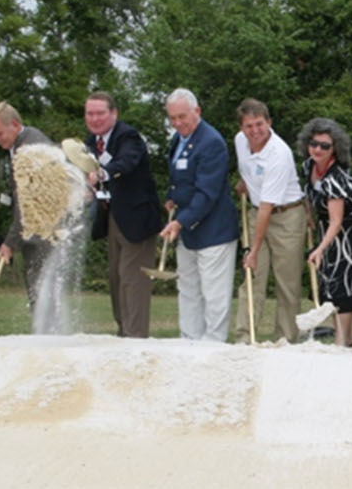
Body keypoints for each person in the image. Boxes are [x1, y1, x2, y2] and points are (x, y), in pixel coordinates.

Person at [160, 89, 239, 343]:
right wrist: (172, 198)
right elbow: (181, 179)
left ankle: (213, 344)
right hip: (187, 228)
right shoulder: (178, 139)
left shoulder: (211, 142)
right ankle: (189, 340)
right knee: (188, 288)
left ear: (197, 111)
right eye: (172, 118)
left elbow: (207, 192)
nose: (177, 123)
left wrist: (180, 221)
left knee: (214, 293)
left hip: (213, 230)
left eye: (182, 116)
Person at [85, 91, 164, 338]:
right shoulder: (90, 141)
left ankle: (136, 339)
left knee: (133, 282)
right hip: (112, 219)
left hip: (137, 222)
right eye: (90, 113)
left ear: (114, 114)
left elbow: (126, 163)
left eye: (100, 113)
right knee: (117, 280)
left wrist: (102, 174)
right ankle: (123, 335)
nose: (95, 119)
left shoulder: (128, 136)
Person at [231, 98, 307, 344]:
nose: (254, 131)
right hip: (257, 211)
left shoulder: (279, 154)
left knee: (287, 282)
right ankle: (244, 337)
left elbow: (268, 207)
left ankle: (285, 339)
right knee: (252, 277)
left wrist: (253, 249)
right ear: (242, 127)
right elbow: (249, 170)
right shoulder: (240, 141)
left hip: (286, 217)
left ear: (269, 122)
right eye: (249, 126)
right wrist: (247, 183)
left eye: (259, 124)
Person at [300, 118, 352, 347]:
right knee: (329, 284)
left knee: (343, 285)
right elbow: (309, 196)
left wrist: (320, 248)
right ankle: (341, 337)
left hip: (349, 233)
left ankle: (344, 341)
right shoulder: (308, 166)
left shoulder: (336, 177)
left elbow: (337, 220)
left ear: (335, 149)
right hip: (328, 229)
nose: (317, 149)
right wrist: (310, 218)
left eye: (324, 146)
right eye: (314, 143)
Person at [0, 101, 53, 309]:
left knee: (42, 293)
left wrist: (10, 242)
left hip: (46, 231)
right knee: (39, 293)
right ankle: (44, 332)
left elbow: (27, 203)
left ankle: (48, 337)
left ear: (14, 124)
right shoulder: (21, 144)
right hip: (38, 230)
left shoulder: (30, 149)